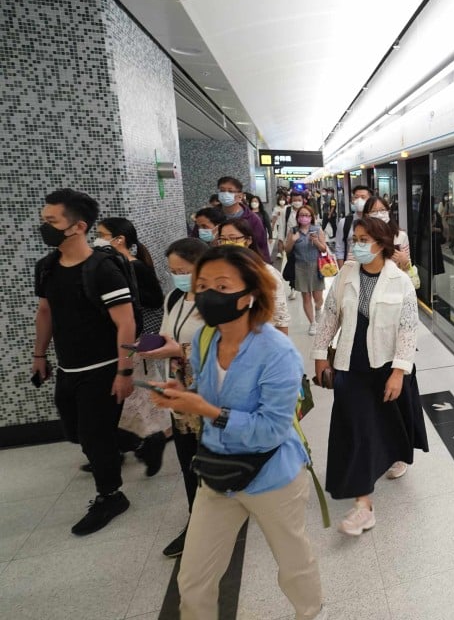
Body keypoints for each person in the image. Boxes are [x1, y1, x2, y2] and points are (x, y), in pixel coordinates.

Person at [149, 245, 323, 620]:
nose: (208, 294)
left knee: (293, 564)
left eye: (222, 285)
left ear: (249, 295)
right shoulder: (205, 340)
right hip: (218, 472)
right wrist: (187, 397)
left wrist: (207, 410)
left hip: (272, 475)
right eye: (203, 284)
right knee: (194, 576)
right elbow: (211, 394)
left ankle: (311, 613)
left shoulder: (278, 353)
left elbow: (272, 429)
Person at [312, 217, 428, 536]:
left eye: (364, 240)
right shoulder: (347, 274)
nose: (357, 245)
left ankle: (394, 456)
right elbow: (330, 316)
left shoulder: (399, 280)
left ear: (382, 244)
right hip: (351, 364)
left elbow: (407, 329)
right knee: (358, 430)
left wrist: (398, 373)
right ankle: (364, 506)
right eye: (356, 239)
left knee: (388, 422)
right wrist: (321, 356)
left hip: (386, 364)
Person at [33, 189, 136, 535]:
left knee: (94, 438)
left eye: (51, 221)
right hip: (68, 367)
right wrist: (39, 354)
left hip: (103, 368)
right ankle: (135, 439)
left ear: (77, 226)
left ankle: (111, 495)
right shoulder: (47, 267)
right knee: (76, 431)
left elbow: (126, 323)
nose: (44, 226)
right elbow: (45, 311)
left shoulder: (103, 270)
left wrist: (125, 370)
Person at [136, 237, 208, 557]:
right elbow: (167, 336)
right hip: (180, 394)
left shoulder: (219, 298)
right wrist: (142, 345)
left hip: (210, 394)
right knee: (188, 461)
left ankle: (215, 521)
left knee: (213, 460)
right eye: (172, 270)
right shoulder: (174, 297)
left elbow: (226, 349)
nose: (177, 276)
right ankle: (198, 519)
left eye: (183, 270)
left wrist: (178, 350)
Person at [95, 217, 169, 475]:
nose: (97, 239)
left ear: (120, 239)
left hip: (142, 337)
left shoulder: (133, 267)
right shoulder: (112, 265)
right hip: (129, 338)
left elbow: (156, 301)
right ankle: (128, 444)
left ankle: (148, 440)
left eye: (102, 234)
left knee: (136, 392)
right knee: (132, 394)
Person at [217, 218, 290, 335]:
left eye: (233, 238)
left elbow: (280, 319)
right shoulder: (216, 273)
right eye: (223, 239)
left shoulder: (266, 273)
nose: (227, 243)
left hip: (259, 342)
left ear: (248, 240)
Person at [284, 205, 328, 334]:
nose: (304, 217)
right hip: (300, 267)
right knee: (306, 296)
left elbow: (324, 249)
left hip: (316, 266)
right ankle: (312, 323)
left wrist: (316, 241)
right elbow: (287, 250)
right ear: (298, 217)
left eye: (307, 215)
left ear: (311, 217)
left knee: (318, 297)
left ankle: (318, 309)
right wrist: (292, 241)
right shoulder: (293, 231)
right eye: (302, 215)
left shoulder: (317, 229)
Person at [216, 176, 271, 262]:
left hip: (245, 263)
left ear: (240, 195)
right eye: (222, 190)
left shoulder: (252, 219)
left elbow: (261, 245)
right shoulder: (211, 216)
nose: (225, 194)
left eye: (230, 191)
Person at [363, 195, 413, 273]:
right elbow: (351, 265)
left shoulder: (400, 236)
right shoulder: (361, 237)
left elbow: (408, 268)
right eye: (374, 211)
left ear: (388, 212)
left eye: (382, 210)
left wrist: (404, 261)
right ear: (367, 215)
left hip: (394, 282)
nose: (379, 214)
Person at [335, 184, 372, 261]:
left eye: (363, 197)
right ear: (352, 200)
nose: (359, 200)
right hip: (351, 265)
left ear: (370, 200)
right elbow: (339, 248)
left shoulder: (377, 221)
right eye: (356, 197)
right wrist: (343, 270)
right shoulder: (344, 222)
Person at [430, 198, 446, 276]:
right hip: (428, 243)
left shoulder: (437, 215)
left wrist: (433, 229)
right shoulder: (425, 214)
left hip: (435, 242)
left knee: (435, 267)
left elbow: (441, 229)